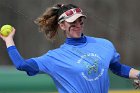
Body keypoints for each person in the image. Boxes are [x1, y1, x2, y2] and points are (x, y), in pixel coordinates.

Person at [0, 3, 140, 93]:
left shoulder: (104, 45)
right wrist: (9, 40)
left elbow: (116, 67)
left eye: (80, 21)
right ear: (62, 26)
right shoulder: (54, 58)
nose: (78, 25)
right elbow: (21, 65)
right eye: (72, 22)